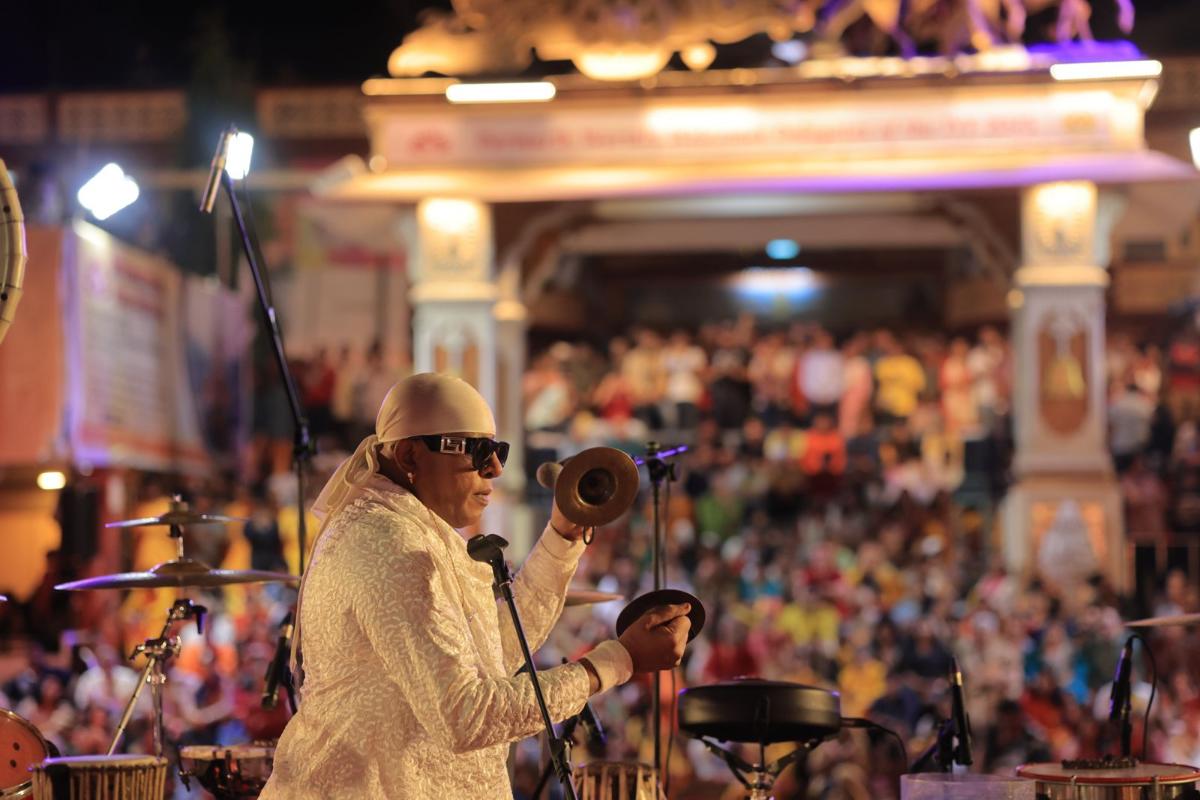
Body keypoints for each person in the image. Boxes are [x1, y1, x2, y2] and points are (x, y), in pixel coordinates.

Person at [260, 372, 691, 798]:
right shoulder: (389, 544)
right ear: (410, 456)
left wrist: (562, 539)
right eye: (477, 450)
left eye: (498, 450)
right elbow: (464, 715)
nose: (496, 468)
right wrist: (615, 662)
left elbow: (491, 654)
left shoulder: (412, 528)